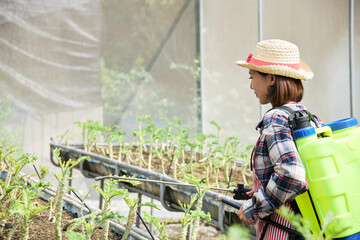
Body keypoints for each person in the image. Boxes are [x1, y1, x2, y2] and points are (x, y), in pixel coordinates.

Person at [235, 39, 322, 240]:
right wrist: (260, 190)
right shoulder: (308, 117)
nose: (251, 86)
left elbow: (292, 175)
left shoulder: (275, 118)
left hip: (285, 232)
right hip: (309, 229)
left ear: (272, 78)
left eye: (253, 77)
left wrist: (255, 207)